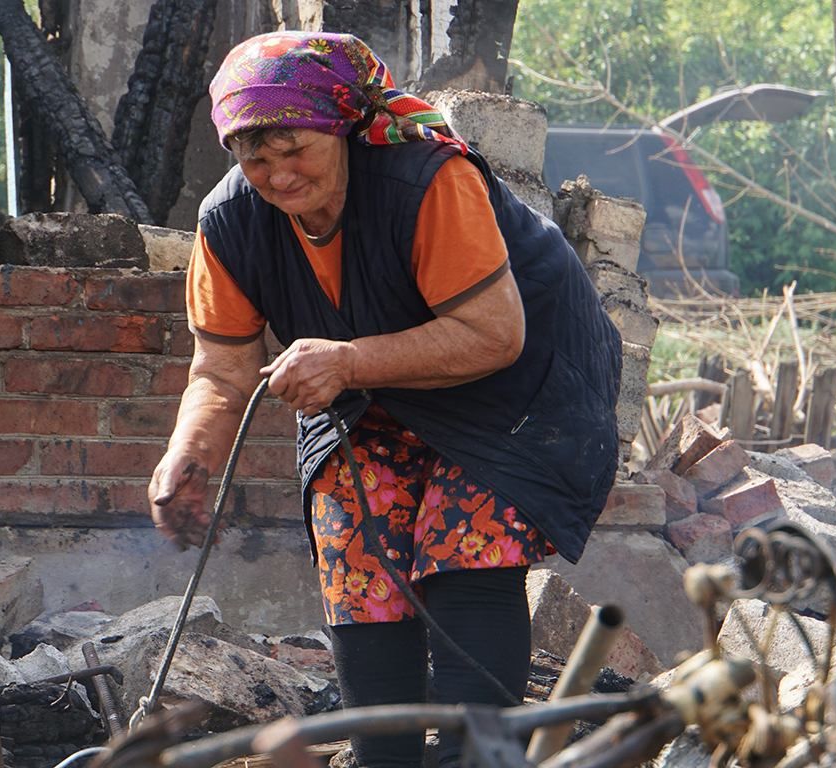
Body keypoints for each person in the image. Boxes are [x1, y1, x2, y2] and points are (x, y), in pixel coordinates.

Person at [148, 31, 622, 768]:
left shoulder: (426, 180)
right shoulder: (229, 223)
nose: (277, 175)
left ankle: (482, 760)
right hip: (369, 392)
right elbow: (220, 369)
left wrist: (347, 360)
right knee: (358, 568)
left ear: (338, 127)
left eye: (294, 149)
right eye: (255, 157)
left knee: (461, 557)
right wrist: (188, 453)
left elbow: (493, 334)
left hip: (518, 385)